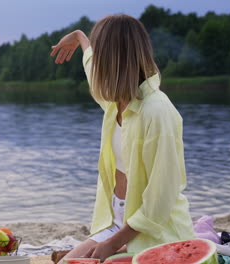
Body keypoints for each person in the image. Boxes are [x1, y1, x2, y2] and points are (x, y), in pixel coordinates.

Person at [50, 14, 195, 262]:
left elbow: (161, 198)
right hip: (116, 223)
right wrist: (80, 37)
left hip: (155, 232)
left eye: (100, 52)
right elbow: (89, 64)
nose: (96, 62)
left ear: (112, 58)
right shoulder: (112, 99)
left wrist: (113, 244)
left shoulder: (157, 111)